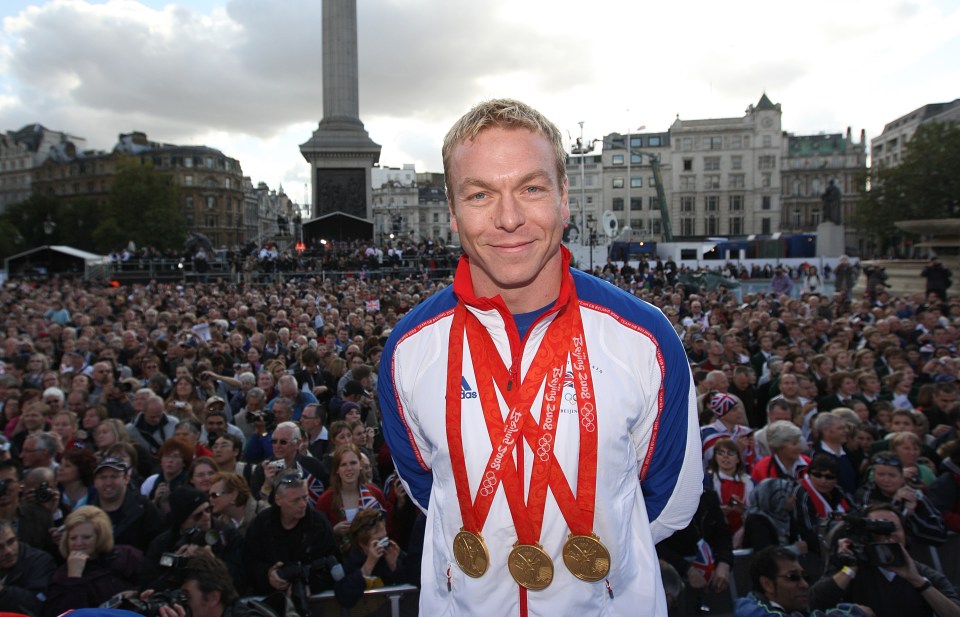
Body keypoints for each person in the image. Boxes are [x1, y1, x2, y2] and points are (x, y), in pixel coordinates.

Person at [379, 99, 701, 615]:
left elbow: (668, 500)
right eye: (481, 193)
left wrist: (599, 576)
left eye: (531, 188)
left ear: (564, 197)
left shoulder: (644, 338)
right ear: (453, 209)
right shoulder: (409, 347)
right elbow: (427, 486)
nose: (509, 219)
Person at [808, 504, 960, 617]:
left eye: (892, 528)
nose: (888, 536)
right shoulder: (851, 570)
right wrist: (850, 568)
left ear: (905, 535)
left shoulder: (922, 573)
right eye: (878, 530)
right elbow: (816, 602)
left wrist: (917, 581)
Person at [45, 505, 143, 616]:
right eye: (73, 538)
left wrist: (136, 594)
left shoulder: (127, 556)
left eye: (86, 537)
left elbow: (152, 584)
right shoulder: (60, 576)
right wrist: (74, 577)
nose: (78, 543)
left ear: (100, 536)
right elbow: (62, 613)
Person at [735, 546, 870, 617]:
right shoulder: (751, 610)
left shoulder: (790, 608)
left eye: (805, 577)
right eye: (793, 577)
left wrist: (850, 567)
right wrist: (856, 613)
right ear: (767, 584)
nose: (804, 585)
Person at [315, 443, 387, 549]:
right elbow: (317, 539)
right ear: (337, 470)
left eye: (353, 463)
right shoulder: (325, 500)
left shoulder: (375, 494)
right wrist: (333, 531)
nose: (349, 468)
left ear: (360, 466)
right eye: (343, 464)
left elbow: (388, 528)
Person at [335, 509, 407, 609]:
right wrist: (368, 566)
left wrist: (394, 566)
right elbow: (345, 597)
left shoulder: (391, 552)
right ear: (363, 544)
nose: (383, 545)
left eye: (385, 539)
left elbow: (410, 582)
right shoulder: (351, 561)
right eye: (378, 541)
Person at [0, 520, 57, 615]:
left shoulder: (39, 561)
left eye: (11, 541)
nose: (8, 551)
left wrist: (3, 591)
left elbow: (38, 605)